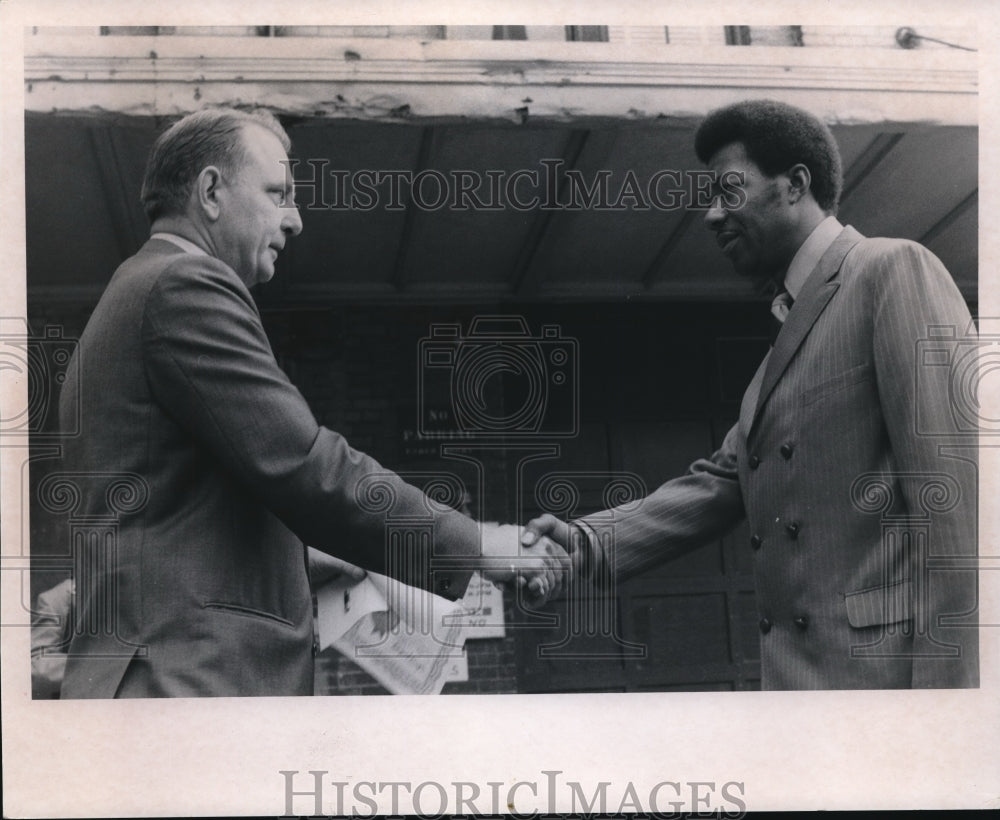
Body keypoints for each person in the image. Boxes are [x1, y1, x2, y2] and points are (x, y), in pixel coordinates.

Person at [55, 107, 567, 698]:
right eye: (278, 193)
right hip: (188, 684)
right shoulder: (185, 284)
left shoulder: (133, 294)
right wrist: (482, 545)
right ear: (212, 191)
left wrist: (315, 561)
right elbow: (301, 462)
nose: (295, 220)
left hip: (155, 681)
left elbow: (173, 520)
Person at [524, 99, 978, 690]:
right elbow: (717, 483)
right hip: (798, 701)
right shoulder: (776, 358)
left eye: (728, 191)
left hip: (881, 701)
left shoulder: (893, 270)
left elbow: (965, 516)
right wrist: (582, 543)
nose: (711, 216)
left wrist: (951, 721)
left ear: (794, 185)